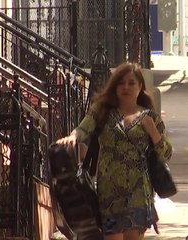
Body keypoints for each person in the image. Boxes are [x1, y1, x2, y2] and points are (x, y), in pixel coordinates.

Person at [57, 62, 173, 240]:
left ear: (140, 86)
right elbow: (83, 128)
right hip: (109, 197)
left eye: (131, 83)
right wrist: (73, 137)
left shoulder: (150, 117)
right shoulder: (102, 111)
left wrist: (154, 133)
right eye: (121, 83)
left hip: (139, 195)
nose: (126, 87)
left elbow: (167, 154)